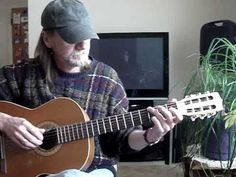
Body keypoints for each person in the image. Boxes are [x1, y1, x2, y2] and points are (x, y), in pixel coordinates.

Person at [0, 0, 183, 177]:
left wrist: (150, 135)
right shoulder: (19, 75)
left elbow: (121, 140)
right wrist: (5, 122)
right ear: (47, 39)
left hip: (95, 169)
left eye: (85, 35)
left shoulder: (108, 79)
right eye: (72, 38)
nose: (82, 45)